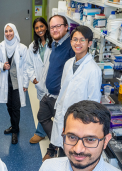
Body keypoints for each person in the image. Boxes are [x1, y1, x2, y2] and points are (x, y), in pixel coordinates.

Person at [51, 26, 102, 155]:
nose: (77, 43)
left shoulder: (93, 70)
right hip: (64, 114)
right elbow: (64, 89)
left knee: (73, 153)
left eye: (82, 40)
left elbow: (94, 102)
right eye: (75, 39)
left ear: (89, 43)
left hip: (80, 121)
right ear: (71, 41)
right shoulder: (68, 63)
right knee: (62, 150)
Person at [37, 15, 75, 161]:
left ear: (66, 27)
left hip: (61, 96)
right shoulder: (55, 43)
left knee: (62, 125)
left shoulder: (70, 46)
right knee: (42, 116)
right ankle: (55, 145)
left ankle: (57, 151)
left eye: (58, 26)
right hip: (50, 93)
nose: (55, 29)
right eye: (52, 27)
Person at [0, 23, 28, 144]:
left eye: (11, 31)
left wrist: (25, 84)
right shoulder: (0, 46)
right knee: (8, 106)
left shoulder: (22, 48)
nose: (8, 33)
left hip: (17, 84)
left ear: (15, 32)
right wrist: (2, 66)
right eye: (6, 31)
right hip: (6, 82)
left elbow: (25, 67)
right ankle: (14, 125)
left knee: (16, 107)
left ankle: (15, 130)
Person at [26, 17, 52, 144]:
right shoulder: (32, 46)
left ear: (46, 27)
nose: (39, 29)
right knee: (43, 109)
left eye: (41, 26)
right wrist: (34, 79)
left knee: (54, 110)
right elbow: (28, 65)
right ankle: (41, 133)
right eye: (37, 28)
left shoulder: (53, 43)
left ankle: (51, 134)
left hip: (54, 83)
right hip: (40, 85)